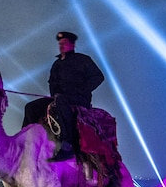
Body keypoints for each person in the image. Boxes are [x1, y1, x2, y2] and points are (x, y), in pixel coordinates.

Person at [23, 31, 105, 160]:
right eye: (60, 44)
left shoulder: (83, 60)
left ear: (72, 45)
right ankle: (26, 141)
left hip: (79, 99)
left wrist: (82, 90)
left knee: (61, 100)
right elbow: (52, 83)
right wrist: (53, 96)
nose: (61, 46)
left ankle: (67, 144)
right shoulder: (57, 64)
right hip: (58, 99)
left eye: (65, 43)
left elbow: (98, 77)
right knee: (31, 107)